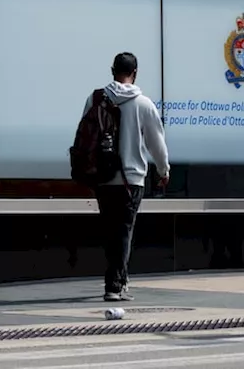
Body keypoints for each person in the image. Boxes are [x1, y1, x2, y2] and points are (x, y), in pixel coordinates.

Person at [84, 52, 170, 301]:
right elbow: (157, 143)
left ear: (112, 70)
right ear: (135, 72)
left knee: (111, 231)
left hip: (103, 177)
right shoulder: (143, 104)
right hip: (130, 180)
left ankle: (119, 277)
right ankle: (114, 285)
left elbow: (85, 135)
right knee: (124, 231)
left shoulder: (95, 99)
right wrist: (163, 171)